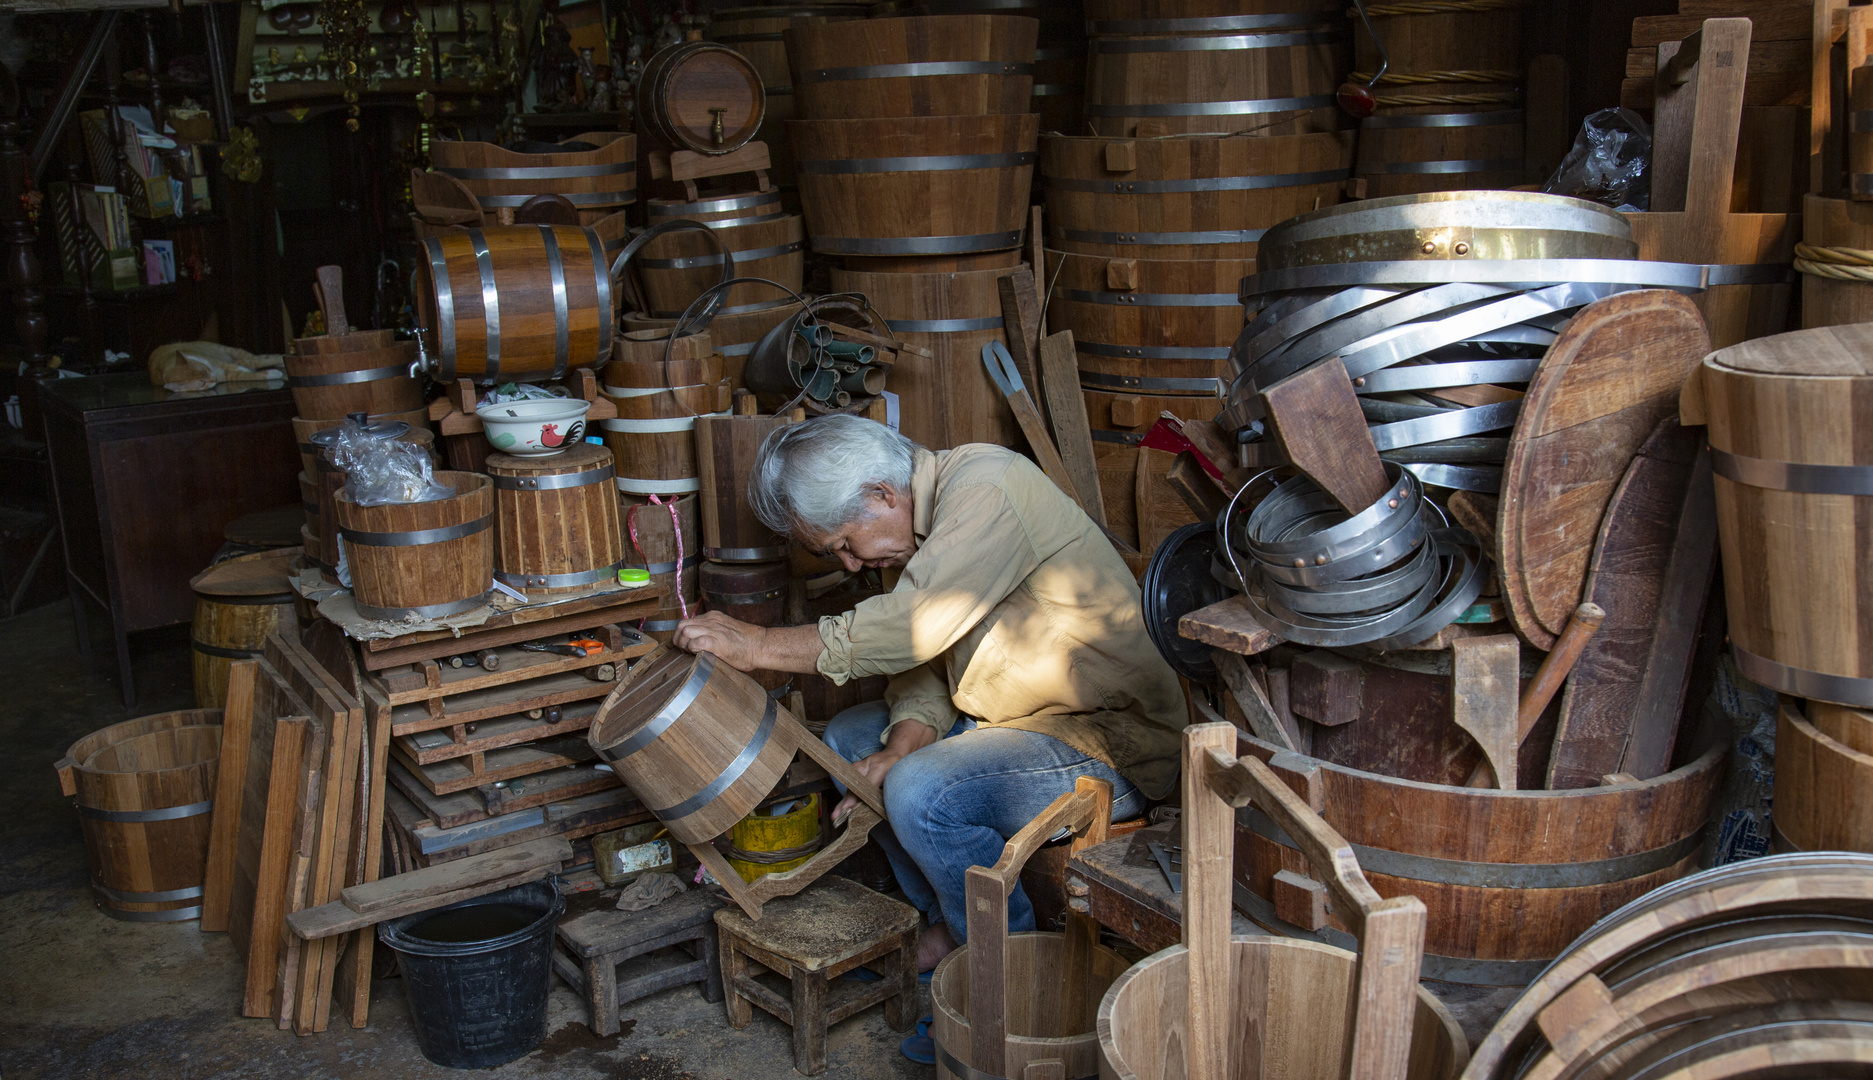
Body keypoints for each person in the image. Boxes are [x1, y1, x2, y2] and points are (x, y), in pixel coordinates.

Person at [673, 415, 1186, 972]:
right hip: (1012, 723)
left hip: (1111, 741)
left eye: (845, 543)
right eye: (836, 553)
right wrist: (899, 745)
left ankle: (1007, 965)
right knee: (853, 740)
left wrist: (759, 645)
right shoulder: (912, 535)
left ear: (881, 493)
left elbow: (914, 627)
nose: (849, 563)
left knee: (921, 790)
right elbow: (926, 667)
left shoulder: (987, 488)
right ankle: (954, 921)